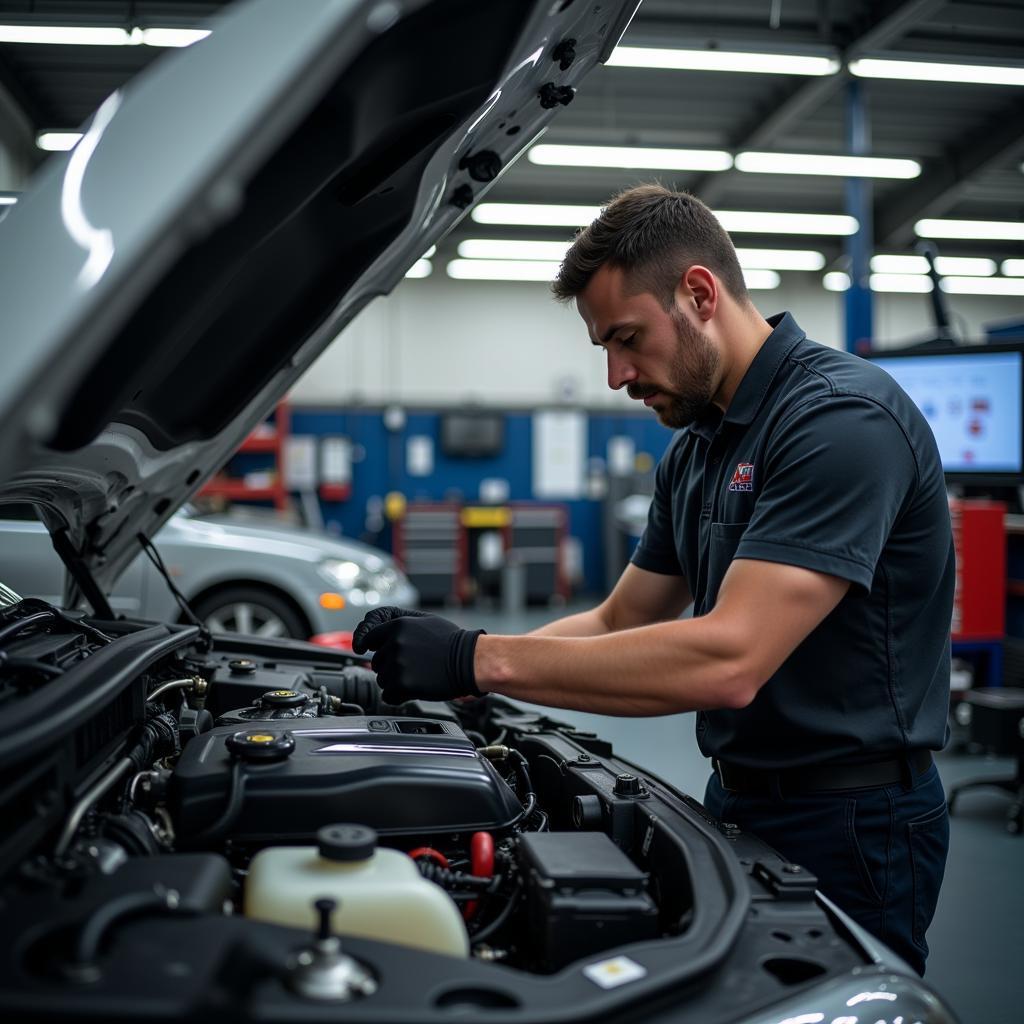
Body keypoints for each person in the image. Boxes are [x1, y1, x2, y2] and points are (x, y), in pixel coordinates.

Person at [352, 184, 954, 976]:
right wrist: (467, 668)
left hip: (854, 818)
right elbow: (617, 622)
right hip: (738, 796)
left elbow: (730, 660)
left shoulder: (839, 421)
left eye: (628, 339)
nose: (615, 375)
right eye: (604, 346)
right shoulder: (697, 447)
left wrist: (477, 658)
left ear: (699, 294)